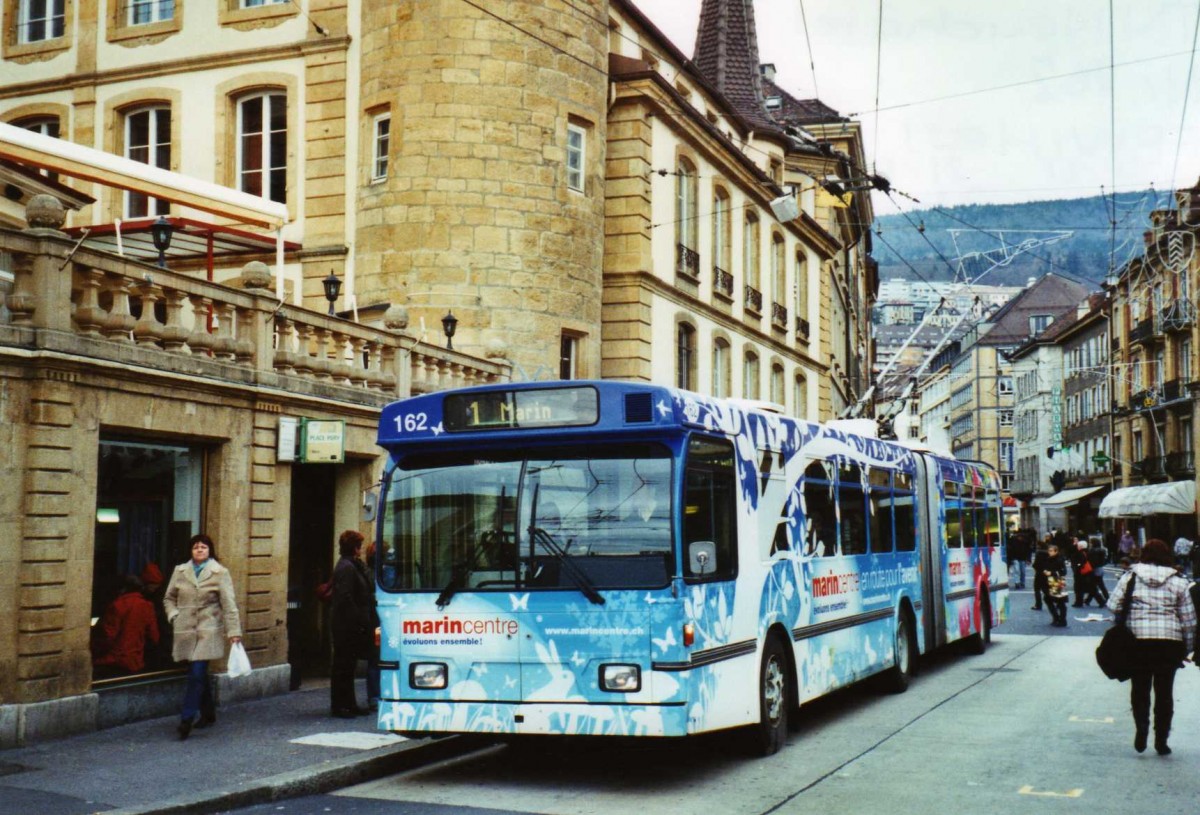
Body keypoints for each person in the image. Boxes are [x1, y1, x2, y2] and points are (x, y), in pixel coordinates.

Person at [1106, 539, 1196, 755]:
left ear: (1143, 554)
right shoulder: (1179, 581)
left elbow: (1113, 605)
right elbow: (1189, 620)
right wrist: (1187, 648)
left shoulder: (1130, 577)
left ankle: (1141, 731)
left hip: (1138, 641)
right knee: (1165, 693)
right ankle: (1161, 740)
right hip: (1169, 643)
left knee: (1140, 689)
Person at [164, 534, 242, 740]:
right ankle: (208, 714)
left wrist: (234, 632)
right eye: (196, 547)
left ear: (210, 550)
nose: (199, 550)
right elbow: (169, 598)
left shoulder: (220, 573)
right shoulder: (180, 571)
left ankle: (186, 719)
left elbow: (229, 604)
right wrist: (174, 615)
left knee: (197, 672)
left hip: (209, 630)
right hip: (186, 630)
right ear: (190, 551)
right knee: (198, 674)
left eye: (204, 547)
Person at [330, 529, 373, 718]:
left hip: (349, 623)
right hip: (346, 625)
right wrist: (359, 619)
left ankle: (349, 704)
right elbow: (346, 597)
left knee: (348, 666)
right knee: (343, 666)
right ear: (355, 548)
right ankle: (340, 706)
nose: (361, 550)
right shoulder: (346, 567)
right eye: (360, 546)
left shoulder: (351, 565)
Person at [91, 574, 160, 675]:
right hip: (135, 662)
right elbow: (154, 637)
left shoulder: (117, 605)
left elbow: (107, 635)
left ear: (123, 589)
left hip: (113, 661)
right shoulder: (147, 606)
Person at [1042, 543, 1068, 627]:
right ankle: (1057, 618)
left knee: (1060, 602)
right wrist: (1045, 571)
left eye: (1051, 551)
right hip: (1050, 581)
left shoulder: (1059, 559)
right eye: (1049, 551)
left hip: (1057, 581)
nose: (1049, 552)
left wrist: (1051, 573)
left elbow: (1063, 572)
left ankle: (1062, 620)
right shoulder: (1049, 559)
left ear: (1056, 551)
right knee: (1048, 599)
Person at [1082, 537, 1110, 607]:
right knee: (1098, 585)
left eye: (1090, 542)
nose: (1089, 544)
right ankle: (1088, 600)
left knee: (1094, 586)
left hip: (1093, 569)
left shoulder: (1092, 551)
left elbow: (1092, 561)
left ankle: (1106, 599)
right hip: (1100, 568)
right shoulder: (1102, 550)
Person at [1030, 536, 1051, 611]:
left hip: (1039, 573)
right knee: (1046, 589)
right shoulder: (1049, 553)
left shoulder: (1039, 553)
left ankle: (1038, 604)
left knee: (1037, 589)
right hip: (1047, 573)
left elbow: (1036, 564)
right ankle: (1054, 602)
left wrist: (1035, 567)